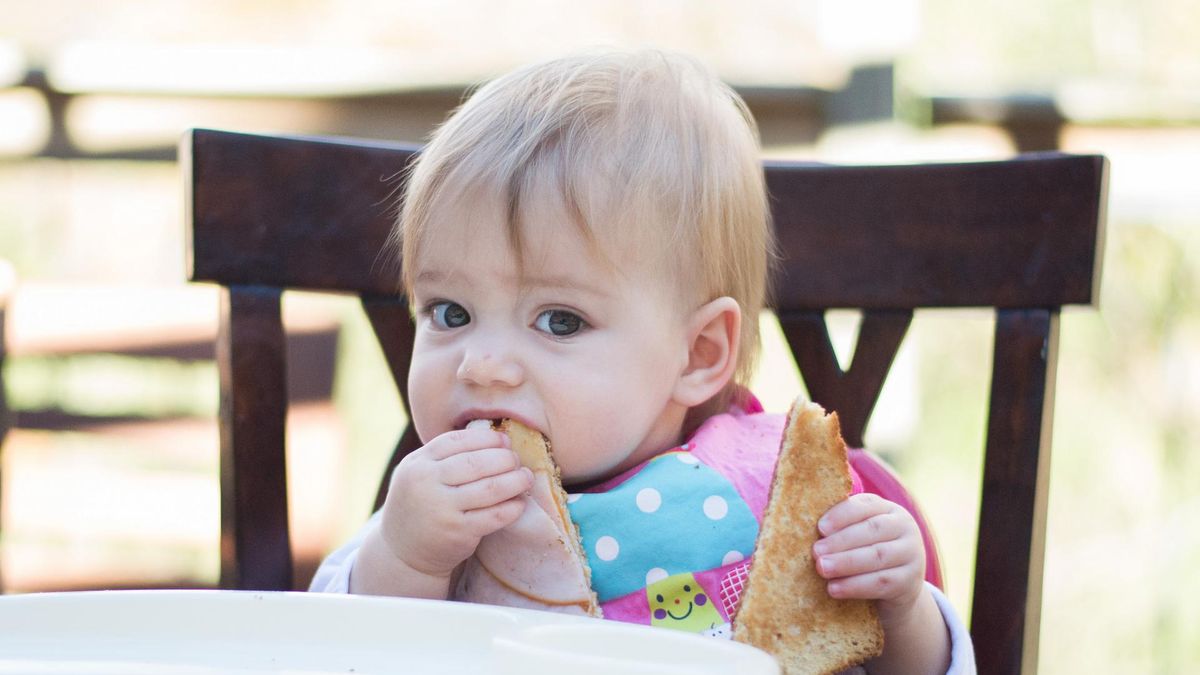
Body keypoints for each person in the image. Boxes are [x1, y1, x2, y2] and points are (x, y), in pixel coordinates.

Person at [311, 48, 973, 674]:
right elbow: (328, 651)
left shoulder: (780, 506)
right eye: (449, 312)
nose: (482, 365)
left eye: (560, 320)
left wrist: (903, 608)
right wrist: (402, 558)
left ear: (699, 353)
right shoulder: (445, 520)